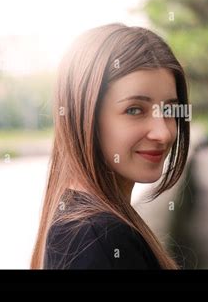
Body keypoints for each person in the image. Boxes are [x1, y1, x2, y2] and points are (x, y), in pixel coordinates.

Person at [30, 23, 190, 269]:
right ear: (85, 118)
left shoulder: (85, 227)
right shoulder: (97, 237)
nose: (164, 132)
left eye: (169, 109)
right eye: (135, 109)